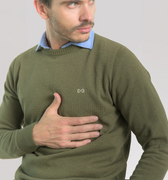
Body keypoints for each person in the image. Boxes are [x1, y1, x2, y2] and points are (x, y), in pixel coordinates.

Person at [0, 0, 168, 179]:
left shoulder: (117, 61)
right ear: (42, 9)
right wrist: (34, 135)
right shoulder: (21, 65)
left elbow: (160, 144)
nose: (88, 16)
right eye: (73, 4)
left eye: (91, 2)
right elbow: (2, 143)